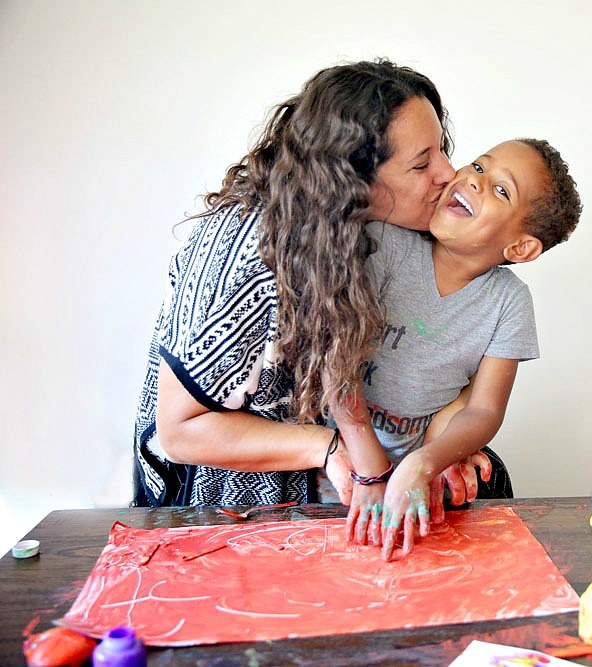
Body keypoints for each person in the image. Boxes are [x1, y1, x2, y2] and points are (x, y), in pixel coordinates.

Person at [132, 60, 502, 512]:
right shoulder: (249, 254)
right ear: (352, 179)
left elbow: (438, 359)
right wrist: (328, 449)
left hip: (353, 442)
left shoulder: (383, 230)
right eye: (422, 163)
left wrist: (440, 449)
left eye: (441, 150)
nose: (449, 173)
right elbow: (180, 431)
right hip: (231, 473)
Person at [335, 138, 583, 559]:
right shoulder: (381, 245)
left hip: (421, 476)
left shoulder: (509, 302)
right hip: (342, 463)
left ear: (520, 247)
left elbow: (483, 410)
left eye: (502, 190)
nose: (474, 181)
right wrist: (367, 469)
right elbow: (333, 362)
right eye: (479, 166)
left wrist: (425, 463)